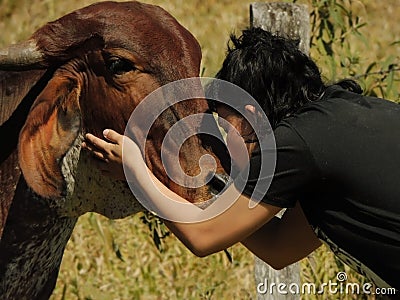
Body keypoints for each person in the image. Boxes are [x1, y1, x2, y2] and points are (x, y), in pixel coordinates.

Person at [83, 27, 400, 290]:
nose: (225, 140)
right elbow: (279, 247)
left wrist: (136, 170)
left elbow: (203, 238)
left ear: (250, 113)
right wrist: (210, 193)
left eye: (225, 124)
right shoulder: (339, 125)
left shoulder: (297, 143)